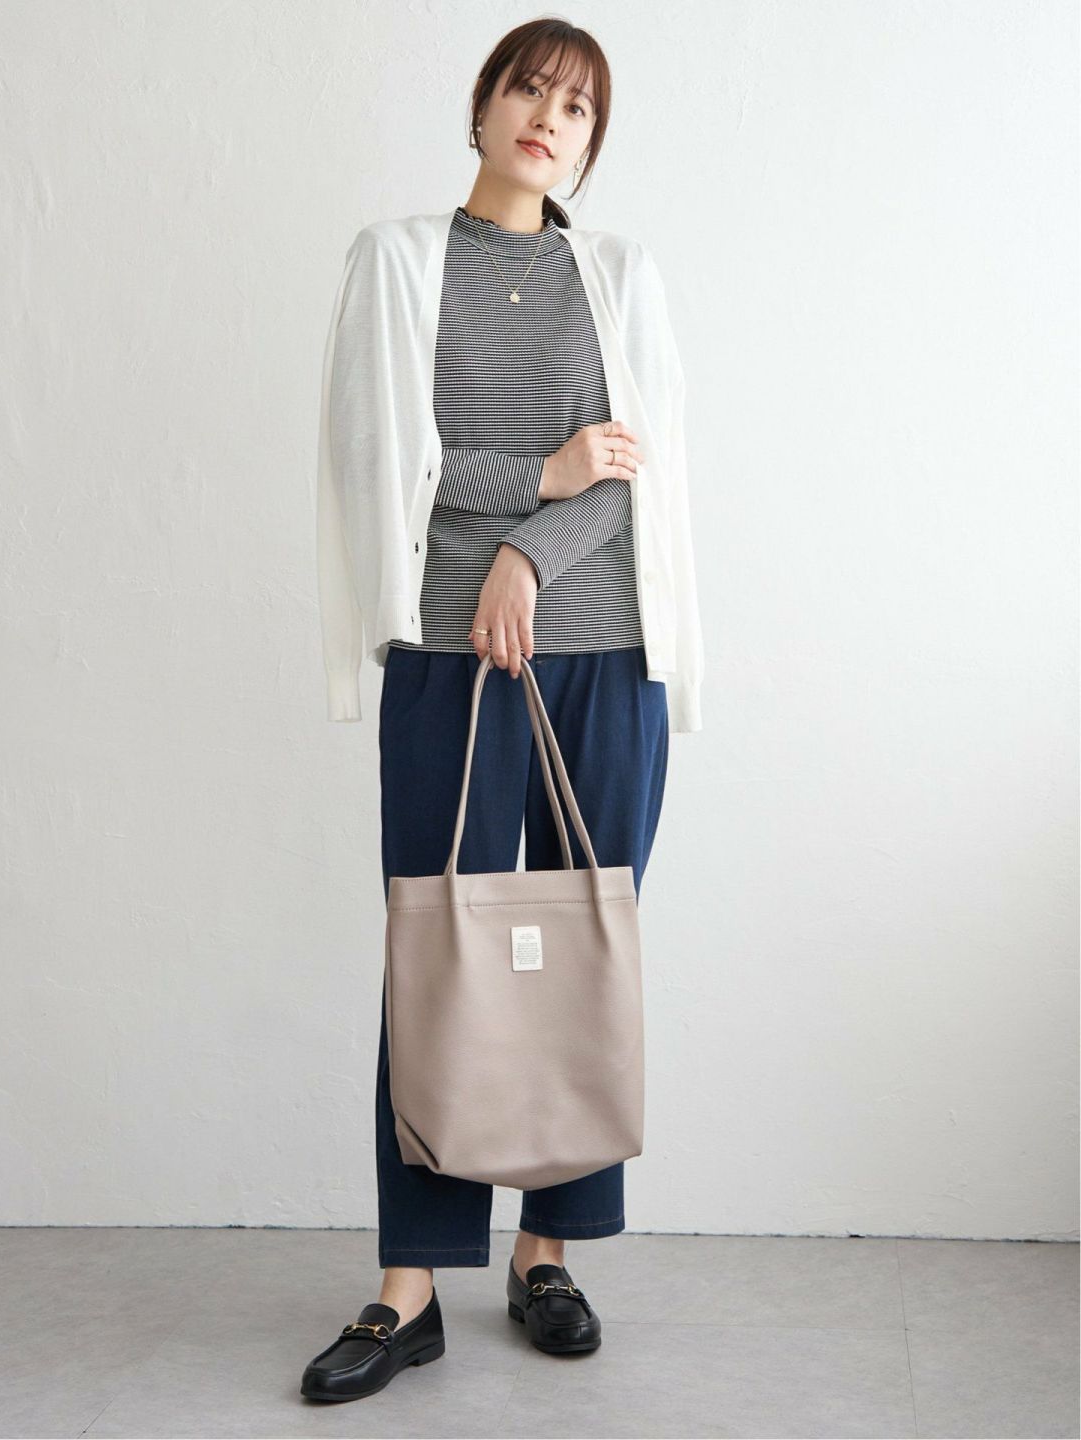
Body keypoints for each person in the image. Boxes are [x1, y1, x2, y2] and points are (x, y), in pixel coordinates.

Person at [303, 16, 704, 1403]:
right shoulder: (399, 260)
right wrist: (542, 474)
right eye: (529, 89)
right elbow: (383, 464)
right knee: (441, 956)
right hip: (446, 659)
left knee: (581, 951)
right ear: (481, 104)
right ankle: (409, 1285)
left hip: (606, 656)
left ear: (593, 143)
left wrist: (530, 550)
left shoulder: (621, 277)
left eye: (578, 107)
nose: (549, 117)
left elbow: (636, 474)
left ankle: (547, 1252)